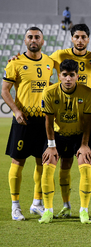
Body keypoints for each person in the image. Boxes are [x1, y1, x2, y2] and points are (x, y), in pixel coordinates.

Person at [49, 23, 91, 218]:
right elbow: (40, 66)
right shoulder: (58, 56)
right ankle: (66, 205)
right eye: (77, 37)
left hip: (88, 115)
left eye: (84, 37)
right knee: (65, 162)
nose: (80, 40)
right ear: (71, 38)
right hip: (65, 116)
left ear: (88, 39)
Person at [1, 27, 54, 221]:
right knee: (18, 161)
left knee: (43, 161)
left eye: (37, 37)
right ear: (25, 41)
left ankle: (37, 203)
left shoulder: (50, 61)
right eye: (30, 37)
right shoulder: (15, 63)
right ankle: (15, 206)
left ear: (42, 40)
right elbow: (5, 90)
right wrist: (16, 111)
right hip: (23, 120)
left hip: (44, 120)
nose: (33, 40)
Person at [39, 59, 91, 224]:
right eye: (65, 75)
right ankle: (50, 210)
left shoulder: (87, 93)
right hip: (57, 136)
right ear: (59, 76)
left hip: (78, 136)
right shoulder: (49, 92)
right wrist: (51, 146)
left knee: (85, 165)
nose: (68, 79)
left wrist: (84, 145)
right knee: (48, 167)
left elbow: (87, 121)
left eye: (72, 75)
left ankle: (84, 211)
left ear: (77, 76)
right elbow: (48, 121)